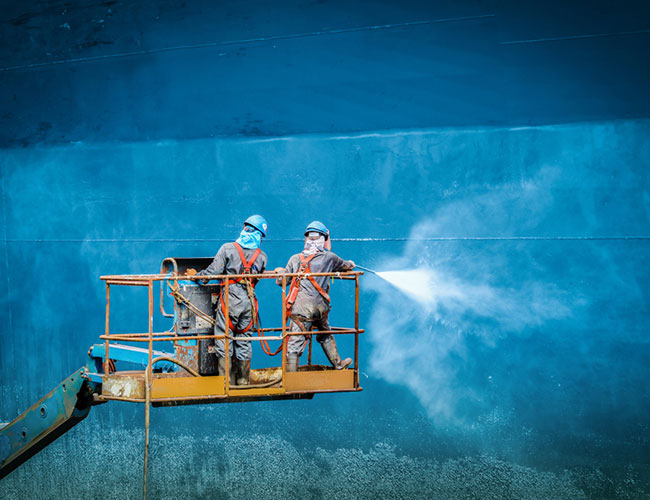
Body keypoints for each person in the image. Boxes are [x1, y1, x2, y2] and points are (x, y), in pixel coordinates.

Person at [189, 215, 268, 385]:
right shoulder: (262, 256)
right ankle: (243, 381)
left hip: (230, 300)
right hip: (249, 302)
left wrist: (195, 276)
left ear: (245, 228)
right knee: (244, 339)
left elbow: (212, 272)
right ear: (260, 235)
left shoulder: (227, 248)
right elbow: (257, 278)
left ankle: (225, 382)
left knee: (224, 337)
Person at [275, 221, 355, 372]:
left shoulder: (295, 259)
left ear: (306, 239)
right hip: (320, 310)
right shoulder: (330, 258)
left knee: (295, 342)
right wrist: (351, 263)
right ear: (323, 239)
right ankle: (338, 364)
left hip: (301, 310)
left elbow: (281, 282)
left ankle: (291, 376)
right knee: (325, 332)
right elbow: (347, 266)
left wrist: (280, 271)